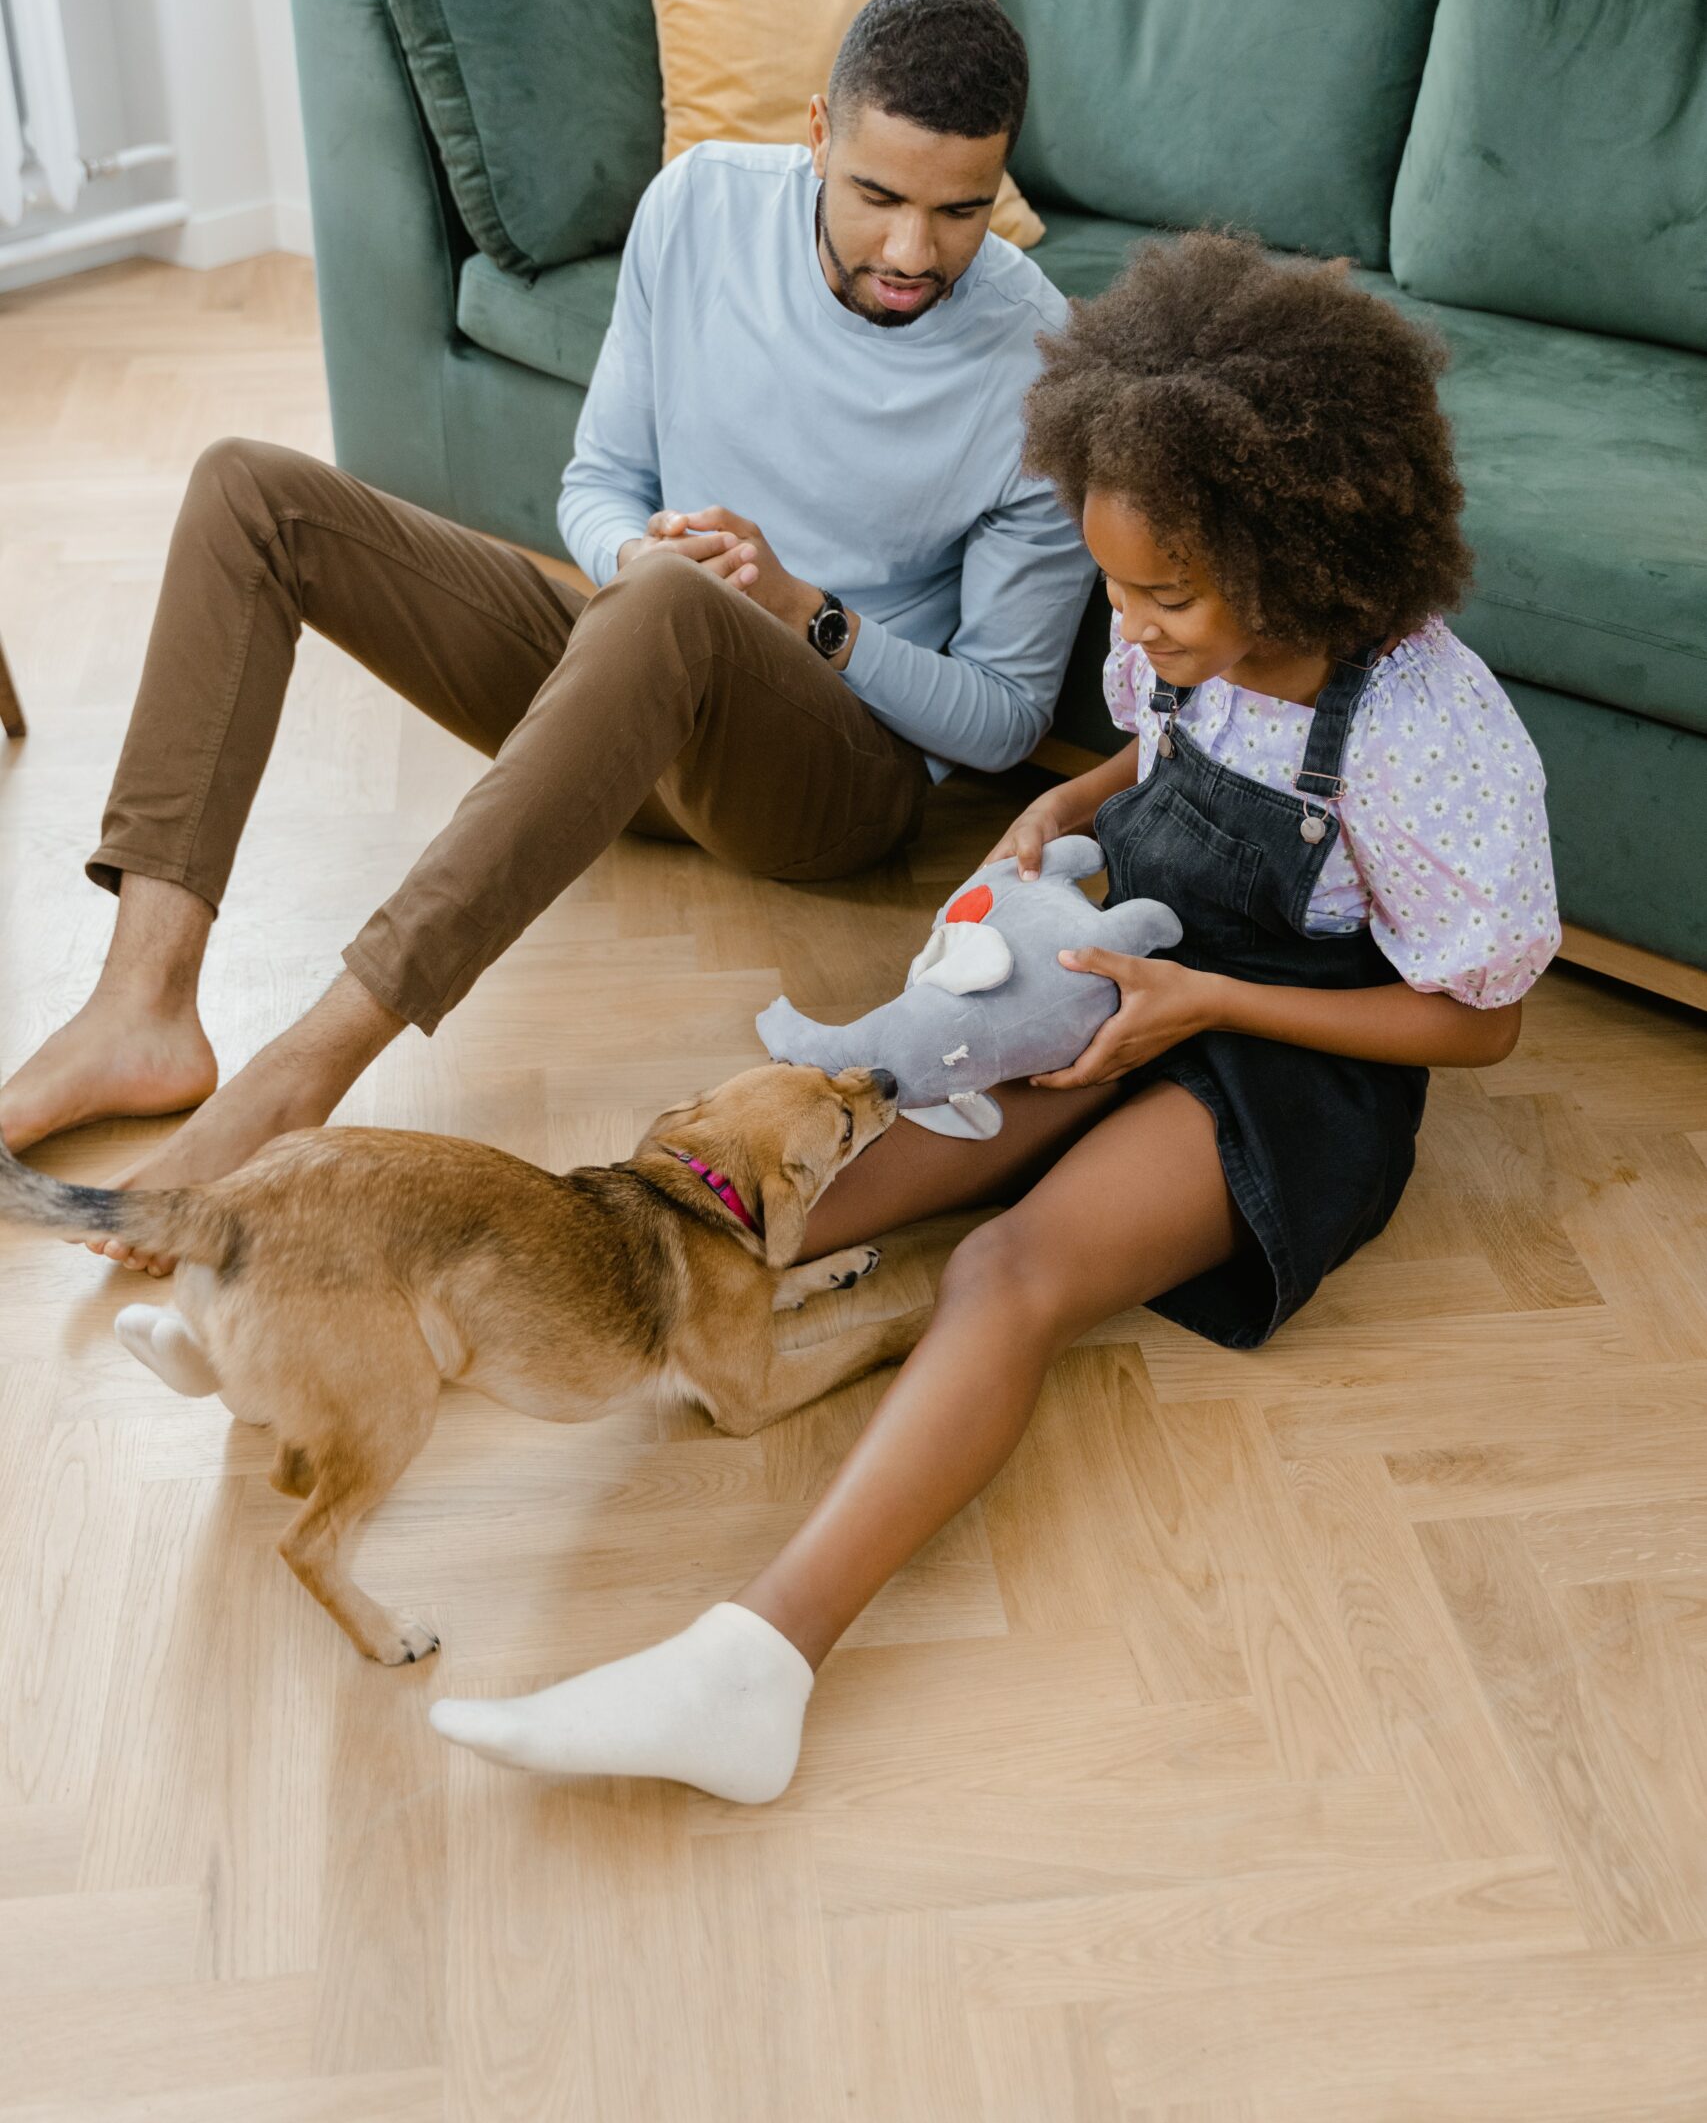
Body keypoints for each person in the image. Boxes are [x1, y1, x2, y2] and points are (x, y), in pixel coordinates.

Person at [430, 229, 1561, 1805]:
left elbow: (1480, 1023)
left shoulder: (1429, 737)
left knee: (1002, 1266)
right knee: (796, 1169)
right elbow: (1161, 764)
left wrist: (1204, 1004)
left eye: (1160, 595)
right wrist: (1057, 812)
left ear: (1298, 552)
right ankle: (406, 1344)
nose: (1131, 625)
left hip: (1288, 1052)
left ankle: (751, 1670)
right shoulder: (1181, 629)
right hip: (1110, 966)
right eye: (1112, 584)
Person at [0, 0, 1091, 1254]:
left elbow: (1008, 722)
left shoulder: (1041, 362)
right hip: (631, 679)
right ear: (816, 136)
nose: (913, 252)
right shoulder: (695, 209)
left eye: (960, 211)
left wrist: (808, 614)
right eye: (879, 198)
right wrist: (641, 561)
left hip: (826, 781)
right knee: (252, 490)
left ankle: (303, 1070)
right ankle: (142, 1003)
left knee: (668, 606)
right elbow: (599, 484)